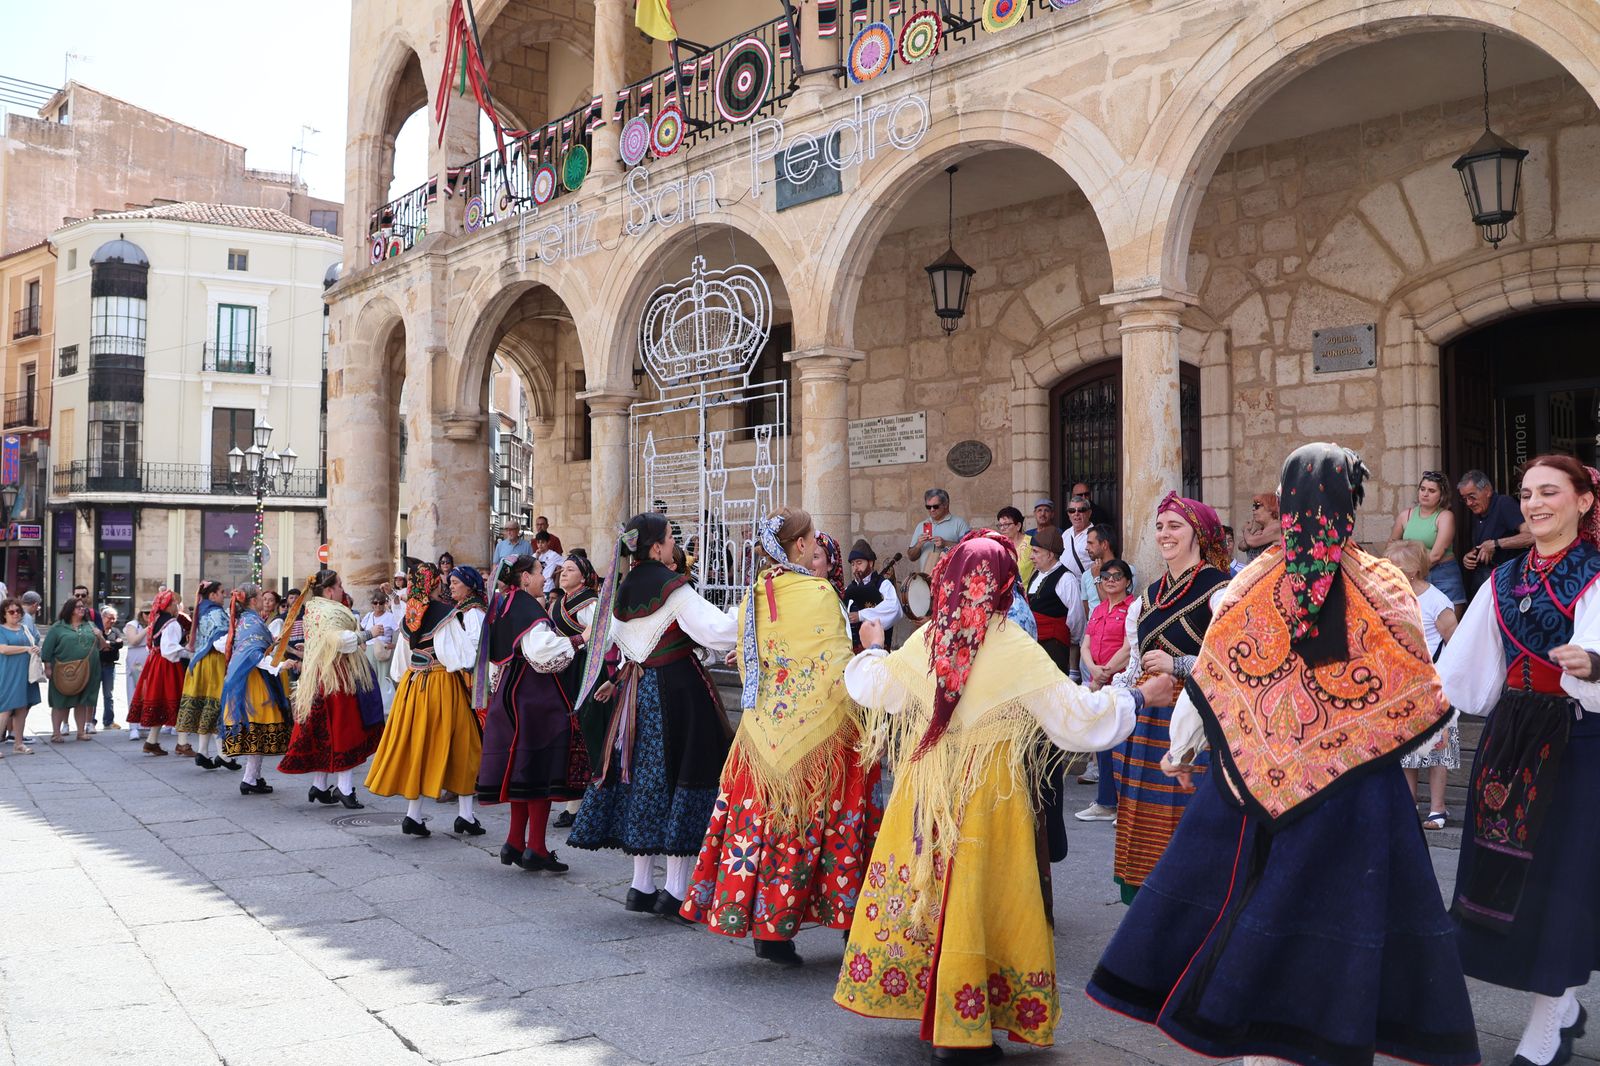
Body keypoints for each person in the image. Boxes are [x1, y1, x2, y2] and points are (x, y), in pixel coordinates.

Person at [1088, 443, 1478, 1066]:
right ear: (1352, 504)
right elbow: (1418, 680)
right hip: (1355, 787)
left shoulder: (1248, 583)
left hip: (1251, 786)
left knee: (1255, 905)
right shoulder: (1384, 584)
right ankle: (1314, 1035)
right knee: (1340, 913)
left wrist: (1184, 747)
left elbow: (1215, 671)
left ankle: (1259, 1044)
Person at [834, 531, 1171, 1058]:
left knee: (932, 888)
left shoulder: (929, 638)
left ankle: (938, 1005)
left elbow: (876, 686)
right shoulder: (1012, 646)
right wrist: (1139, 696)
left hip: (926, 790)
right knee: (978, 896)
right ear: (1003, 585)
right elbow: (1078, 721)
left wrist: (874, 647)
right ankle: (963, 1027)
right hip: (989, 797)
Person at [1438, 455, 1600, 1066]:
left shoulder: (1596, 574)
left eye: (1549, 492)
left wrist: (1593, 665)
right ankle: (1560, 1006)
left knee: (1562, 883)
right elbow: (1463, 673)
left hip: (1579, 742)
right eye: (1527, 493)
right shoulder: (1503, 580)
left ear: (1584, 501)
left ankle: (1550, 1018)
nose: (1534, 504)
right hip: (1510, 742)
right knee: (1511, 880)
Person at [682, 508, 881, 965]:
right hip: (821, 729)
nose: (815, 544)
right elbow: (835, 665)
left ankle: (770, 930)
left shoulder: (756, 591)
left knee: (765, 824)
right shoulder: (820, 593)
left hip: (763, 729)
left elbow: (752, 657)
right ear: (801, 544)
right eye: (811, 537)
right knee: (840, 816)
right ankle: (848, 920)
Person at [568, 512, 738, 919]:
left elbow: (608, 639)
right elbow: (717, 631)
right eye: (670, 538)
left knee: (644, 781)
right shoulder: (673, 589)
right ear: (657, 547)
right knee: (683, 778)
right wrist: (749, 612)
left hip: (636, 693)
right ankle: (675, 891)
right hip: (679, 692)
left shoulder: (620, 589)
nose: (674, 545)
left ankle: (641, 885)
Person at [1110, 492, 1232, 903]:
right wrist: (1117, 703)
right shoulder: (1147, 598)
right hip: (1147, 723)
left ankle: (1191, 905)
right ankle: (1146, 906)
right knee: (1143, 816)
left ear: (1198, 534)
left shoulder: (1220, 591)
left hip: (1195, 719)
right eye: (1160, 526)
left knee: (1186, 812)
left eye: (1175, 526)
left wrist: (1179, 664)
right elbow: (1133, 666)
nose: (1164, 534)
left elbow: (1234, 660)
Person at [473, 554, 589, 872]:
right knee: (540, 768)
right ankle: (535, 847)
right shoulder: (526, 606)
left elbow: (496, 658)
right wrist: (580, 639)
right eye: (539, 573)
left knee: (522, 771)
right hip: (534, 696)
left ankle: (515, 842)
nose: (544, 579)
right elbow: (541, 653)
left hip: (508, 691)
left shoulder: (503, 604)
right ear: (524, 577)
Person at [366, 564, 486, 838]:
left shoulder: (409, 616)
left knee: (419, 746)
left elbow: (399, 666)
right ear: (434, 585)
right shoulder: (445, 614)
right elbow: (462, 657)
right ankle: (466, 815)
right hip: (442, 685)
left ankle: (414, 815)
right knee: (464, 744)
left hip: (412, 686)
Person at [280, 571, 388, 807]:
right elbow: (340, 641)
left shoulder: (313, 608)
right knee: (346, 730)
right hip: (338, 677)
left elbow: (323, 639)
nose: (342, 589)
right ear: (329, 591)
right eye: (339, 585)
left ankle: (319, 786)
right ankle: (345, 789)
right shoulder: (329, 611)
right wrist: (369, 634)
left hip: (320, 676)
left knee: (325, 732)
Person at [1383, 539, 1461, 831]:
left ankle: (1438, 809)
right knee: (1407, 753)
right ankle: (1409, 805)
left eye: (1395, 567)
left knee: (1437, 750)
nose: (1389, 572)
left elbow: (1456, 643)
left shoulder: (1437, 602)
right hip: (1402, 686)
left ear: (1413, 570)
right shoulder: (1391, 597)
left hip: (1434, 686)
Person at [1025, 526, 1087, 862]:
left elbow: (1075, 620)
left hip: (1053, 649)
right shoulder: (1036, 578)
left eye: (1036, 551)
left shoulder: (1065, 580)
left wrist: (1068, 651)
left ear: (1050, 552)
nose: (1032, 556)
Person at [547, 552, 608, 829]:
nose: (564, 573)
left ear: (583, 577)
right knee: (570, 733)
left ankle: (591, 803)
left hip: (586, 670)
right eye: (563, 569)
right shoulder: (559, 603)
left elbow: (604, 638)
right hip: (565, 669)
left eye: (570, 569)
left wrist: (578, 645)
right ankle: (573, 802)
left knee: (587, 730)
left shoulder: (589, 603)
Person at [1076, 558, 1136, 822]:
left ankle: (1123, 806)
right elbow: (1085, 645)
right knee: (1103, 743)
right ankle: (1106, 802)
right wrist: (1094, 671)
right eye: (1105, 576)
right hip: (1098, 682)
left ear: (1127, 581)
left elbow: (1129, 648)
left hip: (1120, 684)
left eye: (1117, 575)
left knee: (1121, 744)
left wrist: (1105, 673)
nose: (1110, 580)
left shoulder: (1133, 608)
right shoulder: (1099, 609)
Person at [218, 584, 293, 796]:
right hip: (254, 681)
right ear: (252, 600)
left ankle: (253, 777)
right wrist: (279, 665)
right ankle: (250, 779)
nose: (263, 599)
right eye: (260, 596)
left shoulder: (245, 620)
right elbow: (253, 654)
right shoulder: (252, 621)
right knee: (257, 727)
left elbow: (231, 646)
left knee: (255, 729)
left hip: (247, 678)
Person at [1390, 470, 1466, 608]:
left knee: (1449, 619)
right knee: (1418, 618)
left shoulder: (1445, 516)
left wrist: (1412, 571)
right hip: (1413, 575)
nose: (1425, 494)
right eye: (1422, 489)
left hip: (1443, 575)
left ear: (1442, 495)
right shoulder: (1405, 515)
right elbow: (1391, 545)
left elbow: (1436, 555)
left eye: (1432, 491)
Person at [127, 591, 189, 754]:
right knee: (177, 699)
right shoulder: (171, 623)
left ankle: (151, 741)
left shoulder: (156, 620)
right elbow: (170, 649)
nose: (177, 606)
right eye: (175, 603)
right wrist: (188, 652)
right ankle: (182, 743)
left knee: (160, 700)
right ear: (168, 605)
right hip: (168, 665)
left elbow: (153, 645)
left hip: (155, 663)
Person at [1458, 468, 1535, 598]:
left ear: (1487, 491)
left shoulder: (1504, 504)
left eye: (1472, 496)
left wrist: (1496, 544)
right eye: (1464, 499)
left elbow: (1531, 536)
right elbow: (1485, 544)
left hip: (1506, 577)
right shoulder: (1479, 511)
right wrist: (1470, 555)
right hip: (1484, 578)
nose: (1469, 503)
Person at [175, 581, 228, 768]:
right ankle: (222, 755)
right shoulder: (215, 612)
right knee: (216, 707)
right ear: (212, 595)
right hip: (214, 662)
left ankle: (204, 752)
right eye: (222, 592)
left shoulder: (201, 610)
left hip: (200, 663)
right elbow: (222, 641)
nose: (224, 595)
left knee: (207, 707)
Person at [40, 596, 104, 743]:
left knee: (82, 701)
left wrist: (100, 636)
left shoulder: (90, 625)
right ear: (70, 609)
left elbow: (102, 647)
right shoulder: (58, 627)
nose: (82, 609)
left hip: (87, 670)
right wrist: (47, 667)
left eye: (83, 607)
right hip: (63, 670)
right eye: (78, 607)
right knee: (60, 701)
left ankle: (80, 732)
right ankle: (56, 733)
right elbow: (47, 649)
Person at [842, 540, 902, 652]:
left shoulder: (883, 585)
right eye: (853, 564)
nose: (855, 568)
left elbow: (894, 608)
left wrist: (861, 615)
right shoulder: (849, 590)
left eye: (859, 563)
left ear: (870, 563)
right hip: (853, 655)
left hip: (878, 653)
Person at [0, 599, 39, 756]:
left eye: (18, 611)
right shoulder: (1, 630)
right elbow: (3, 649)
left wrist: (35, 649)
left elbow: (33, 644)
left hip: (25, 672)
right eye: (11, 611)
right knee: (5, 708)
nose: (15, 614)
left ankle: (18, 743)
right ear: (4, 614)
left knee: (22, 707)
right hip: (8, 672)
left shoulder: (24, 628)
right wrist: (26, 648)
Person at [907, 488, 969, 575]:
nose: (932, 510)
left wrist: (946, 543)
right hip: (926, 578)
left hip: (949, 578)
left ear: (945, 505)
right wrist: (919, 545)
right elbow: (911, 557)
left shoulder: (959, 523)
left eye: (935, 506)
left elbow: (968, 550)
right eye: (928, 507)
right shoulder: (921, 525)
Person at [360, 587, 398, 712]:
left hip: (383, 650)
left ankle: (386, 709)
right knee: (370, 680)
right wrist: (363, 645)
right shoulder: (368, 616)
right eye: (375, 603)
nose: (378, 605)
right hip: (369, 650)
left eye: (381, 603)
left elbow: (400, 633)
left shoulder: (390, 617)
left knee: (384, 679)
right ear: (372, 604)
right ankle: (373, 708)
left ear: (384, 603)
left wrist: (393, 645)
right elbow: (360, 630)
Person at [994, 506, 1034, 587]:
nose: (1002, 529)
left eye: (1006, 525)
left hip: (1027, 592)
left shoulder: (1032, 543)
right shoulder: (998, 546)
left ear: (1018, 526)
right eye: (1000, 525)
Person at [123, 608, 149, 719]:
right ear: (141, 613)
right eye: (146, 612)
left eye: (151, 612)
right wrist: (148, 628)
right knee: (135, 688)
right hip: (136, 657)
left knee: (147, 690)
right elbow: (133, 640)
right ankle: (135, 722)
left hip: (149, 656)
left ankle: (146, 719)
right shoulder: (133, 624)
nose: (149, 615)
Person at [1061, 496, 1094, 579]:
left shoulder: (1095, 535)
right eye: (1072, 511)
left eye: (1081, 510)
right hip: (1063, 584)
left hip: (1083, 585)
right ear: (1068, 514)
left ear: (1089, 513)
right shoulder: (1066, 533)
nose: (1076, 513)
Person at [1240, 492, 1281, 560]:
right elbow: (1241, 546)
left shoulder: (1276, 526)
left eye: (1257, 506)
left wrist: (1246, 530)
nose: (1253, 509)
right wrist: (1251, 535)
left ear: (1270, 509)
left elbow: (1251, 541)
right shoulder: (1260, 527)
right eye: (1254, 506)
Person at [810, 530, 846, 598]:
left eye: (815, 557)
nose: (808, 562)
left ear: (830, 564)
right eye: (806, 556)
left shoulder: (829, 596)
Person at [533, 532, 563, 597]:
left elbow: (566, 564)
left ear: (548, 542)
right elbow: (531, 569)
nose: (540, 545)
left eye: (542, 542)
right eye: (538, 542)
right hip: (537, 587)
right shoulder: (534, 555)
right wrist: (537, 557)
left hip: (548, 587)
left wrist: (555, 573)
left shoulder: (553, 555)